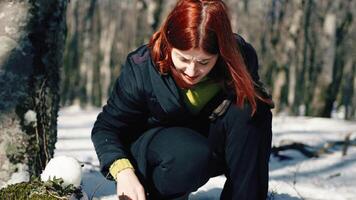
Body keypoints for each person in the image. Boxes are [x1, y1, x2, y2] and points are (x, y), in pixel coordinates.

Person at [91, 0, 274, 199]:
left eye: (204, 62)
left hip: (208, 143)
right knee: (189, 154)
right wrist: (123, 172)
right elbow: (106, 129)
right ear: (169, 45)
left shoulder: (240, 58)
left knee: (253, 108)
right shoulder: (141, 69)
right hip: (161, 151)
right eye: (183, 59)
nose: (192, 71)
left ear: (221, 53)